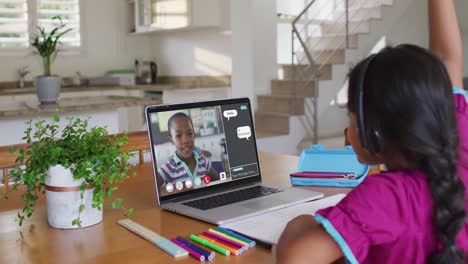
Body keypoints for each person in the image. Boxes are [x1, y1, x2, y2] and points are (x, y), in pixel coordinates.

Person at [276, 0, 467, 263]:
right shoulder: (460, 134)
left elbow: (295, 259)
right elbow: (447, 58)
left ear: (372, 131)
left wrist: (301, 222)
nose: (347, 128)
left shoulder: (383, 197)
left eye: (351, 114)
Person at [156, 112, 219, 190]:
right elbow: (153, 189)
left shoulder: (203, 162)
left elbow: (218, 180)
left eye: (189, 133)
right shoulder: (168, 168)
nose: (185, 140)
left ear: (194, 135)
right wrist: (171, 191)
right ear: (171, 140)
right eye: (179, 135)